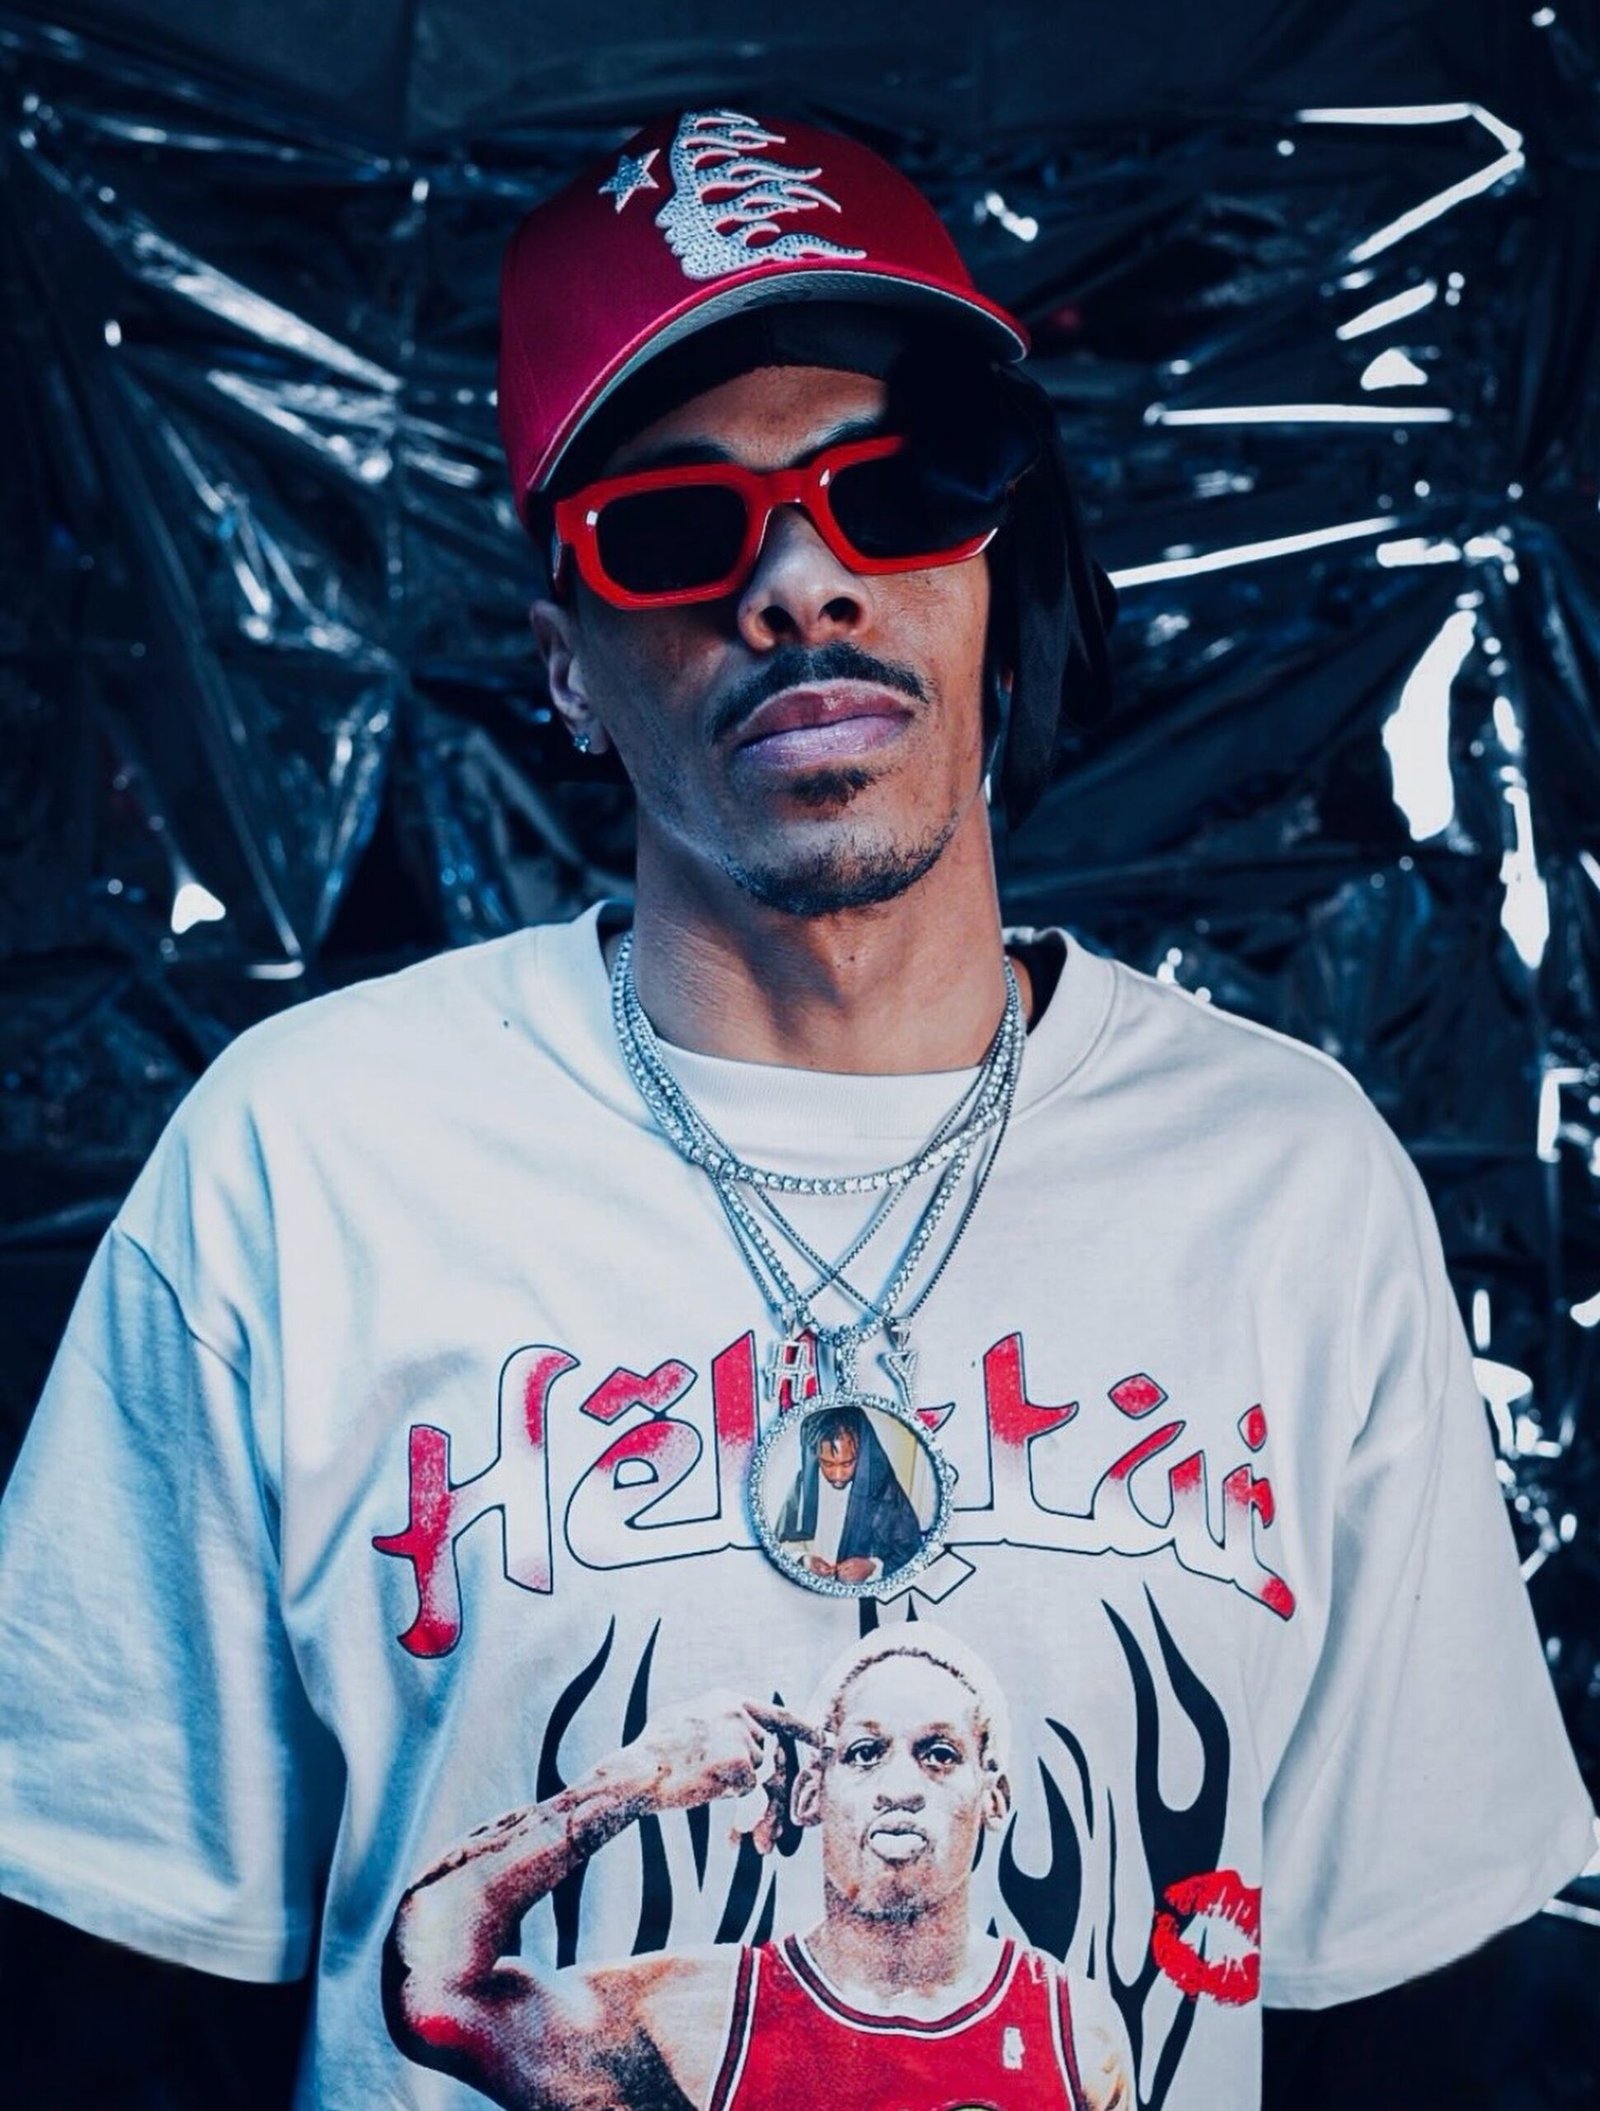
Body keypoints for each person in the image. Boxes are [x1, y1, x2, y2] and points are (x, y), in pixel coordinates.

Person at [0, 104, 1593, 2111]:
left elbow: (1413, 2009)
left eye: (893, 491)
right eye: (675, 526)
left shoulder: (1286, 1183)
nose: (802, 580)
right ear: (563, 662)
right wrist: (622, 1794)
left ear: (995, 564)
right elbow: (111, 1994)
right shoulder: (305, 1166)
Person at [383, 1626, 1131, 2109]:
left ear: (993, 1796)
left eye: (938, 1753)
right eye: (864, 1753)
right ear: (810, 1793)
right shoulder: (699, 2019)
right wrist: (631, 1783)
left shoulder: (1076, 2030)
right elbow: (435, 1988)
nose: (901, 1786)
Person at [774, 1404, 926, 1582]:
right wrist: (804, 1560)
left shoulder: (884, 1490)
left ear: (862, 1453)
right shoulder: (803, 1485)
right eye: (827, 1464)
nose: (837, 1475)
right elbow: (780, 1544)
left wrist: (873, 1566)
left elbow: (911, 1553)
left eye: (846, 1464)